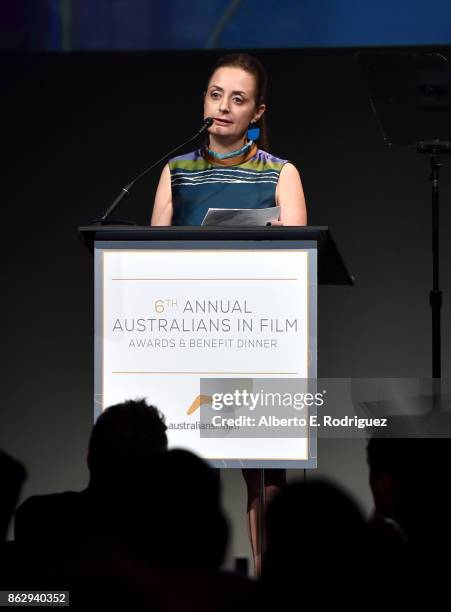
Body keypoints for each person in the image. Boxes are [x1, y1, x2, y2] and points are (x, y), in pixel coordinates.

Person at [151, 53, 307, 574]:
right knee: (186, 478)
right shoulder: (176, 171)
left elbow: (298, 261)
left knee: (265, 477)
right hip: (188, 336)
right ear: (204, 100)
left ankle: (271, 584)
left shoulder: (282, 173)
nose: (223, 107)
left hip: (259, 340)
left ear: (256, 113)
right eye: (216, 94)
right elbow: (146, 258)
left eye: (237, 99)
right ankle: (187, 588)